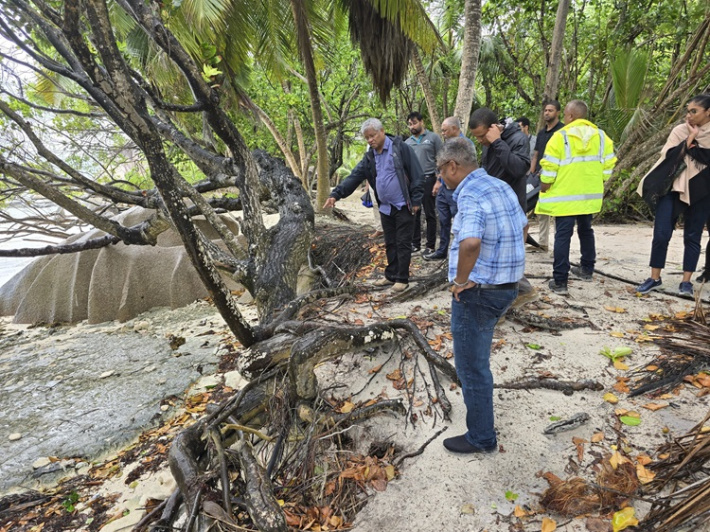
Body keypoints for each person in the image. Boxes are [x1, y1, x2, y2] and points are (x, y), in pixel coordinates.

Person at [437, 138, 526, 454]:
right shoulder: (500, 186)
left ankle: (481, 437)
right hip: (507, 287)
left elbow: (471, 243)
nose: (441, 180)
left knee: (472, 367)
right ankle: (481, 418)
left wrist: (461, 281)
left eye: (440, 172)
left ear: (452, 166)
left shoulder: (471, 193)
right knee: (479, 360)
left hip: (480, 293)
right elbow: (522, 228)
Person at [323, 118, 424, 291]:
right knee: (390, 242)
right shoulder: (370, 156)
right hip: (385, 207)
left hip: (403, 205)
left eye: (373, 135)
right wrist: (336, 194)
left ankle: (402, 278)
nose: (370, 140)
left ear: (382, 131)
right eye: (367, 137)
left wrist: (416, 200)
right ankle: (391, 275)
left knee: (403, 242)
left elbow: (417, 173)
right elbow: (355, 176)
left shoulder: (400, 148)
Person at [536, 100, 617, 294]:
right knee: (586, 230)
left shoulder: (559, 137)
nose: (564, 118)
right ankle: (587, 269)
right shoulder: (602, 137)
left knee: (563, 235)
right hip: (588, 196)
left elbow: (549, 168)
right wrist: (596, 181)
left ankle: (560, 281)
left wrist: (545, 186)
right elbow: (608, 166)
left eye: (565, 114)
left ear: (571, 116)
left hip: (564, 197)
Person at [635, 94, 710, 296]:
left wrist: (692, 148)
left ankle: (686, 281)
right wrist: (691, 138)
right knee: (661, 234)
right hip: (672, 188)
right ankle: (654, 277)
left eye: (694, 111)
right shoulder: (680, 130)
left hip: (701, 191)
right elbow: (669, 156)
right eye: (687, 111)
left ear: (708, 112)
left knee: (693, 237)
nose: (689, 115)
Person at [469, 108, 535, 304]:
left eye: (482, 136)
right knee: (496, 251)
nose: (480, 141)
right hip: (493, 204)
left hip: (512, 204)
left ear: (493, 128)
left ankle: (520, 291)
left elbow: (519, 169)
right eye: (477, 138)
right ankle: (516, 290)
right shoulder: (487, 143)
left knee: (508, 251)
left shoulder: (517, 139)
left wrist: (497, 142)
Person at [424, 116, 472, 261]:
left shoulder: (466, 145)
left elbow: (467, 168)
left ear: (454, 128)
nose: (443, 133)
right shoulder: (446, 145)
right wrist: (438, 182)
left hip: (457, 189)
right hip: (444, 188)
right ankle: (442, 251)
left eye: (445, 130)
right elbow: (441, 165)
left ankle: (462, 253)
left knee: (459, 222)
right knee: (444, 221)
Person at [405, 112, 443, 254]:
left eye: (414, 123)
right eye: (409, 124)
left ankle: (430, 246)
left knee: (430, 214)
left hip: (429, 179)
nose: (412, 126)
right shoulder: (407, 143)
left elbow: (441, 159)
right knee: (414, 212)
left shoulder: (433, 138)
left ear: (421, 122)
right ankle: (415, 244)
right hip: (414, 183)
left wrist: (439, 180)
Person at [530, 101, 565, 251]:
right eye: (545, 110)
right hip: (540, 175)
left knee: (558, 210)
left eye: (550, 110)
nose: (547, 113)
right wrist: (531, 172)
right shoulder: (541, 133)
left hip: (558, 175)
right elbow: (536, 154)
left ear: (558, 112)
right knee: (542, 208)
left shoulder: (563, 131)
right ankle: (543, 243)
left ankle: (560, 245)